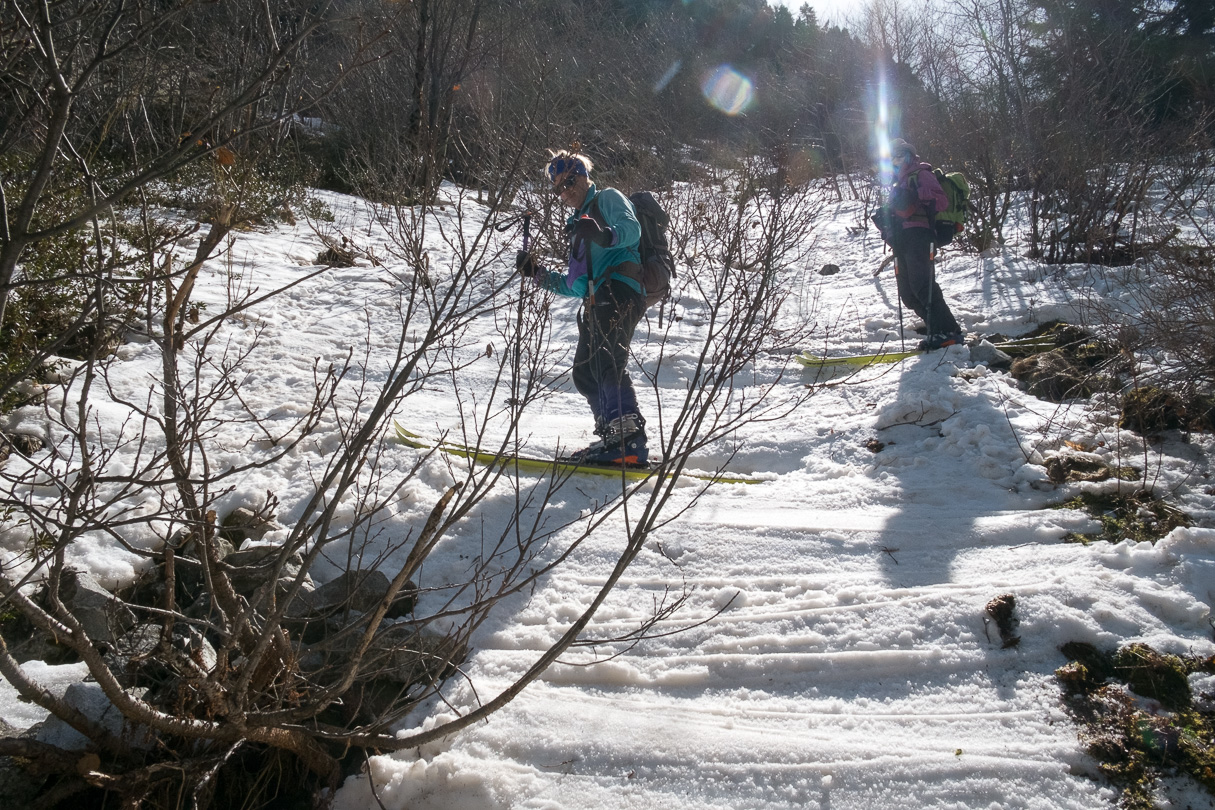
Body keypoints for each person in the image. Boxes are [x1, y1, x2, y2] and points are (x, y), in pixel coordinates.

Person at [515, 150, 649, 466]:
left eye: (569, 182)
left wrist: (604, 234)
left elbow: (632, 229)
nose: (564, 192)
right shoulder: (577, 225)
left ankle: (629, 440)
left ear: (584, 176)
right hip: (596, 298)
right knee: (585, 372)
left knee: (607, 360)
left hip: (620, 289)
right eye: (558, 189)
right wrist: (537, 274)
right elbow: (575, 285)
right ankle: (612, 436)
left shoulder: (607, 199)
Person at [876, 138, 965, 350]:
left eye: (900, 155)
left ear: (909, 155)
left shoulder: (921, 174)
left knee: (922, 286)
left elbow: (941, 201)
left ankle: (948, 332)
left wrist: (915, 195)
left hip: (920, 236)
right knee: (907, 294)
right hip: (901, 240)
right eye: (893, 157)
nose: (896, 160)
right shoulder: (897, 183)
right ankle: (937, 329)